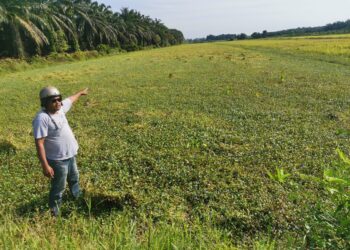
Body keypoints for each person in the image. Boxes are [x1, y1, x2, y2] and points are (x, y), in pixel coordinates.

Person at [32, 86, 88, 216]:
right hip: (57, 160)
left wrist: (80, 92)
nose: (58, 103)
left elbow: (71, 99)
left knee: (74, 178)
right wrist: (45, 165)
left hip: (70, 155)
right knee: (59, 187)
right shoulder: (42, 118)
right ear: (45, 103)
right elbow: (39, 143)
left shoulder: (60, 109)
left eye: (59, 99)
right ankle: (55, 211)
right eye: (54, 100)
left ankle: (77, 196)